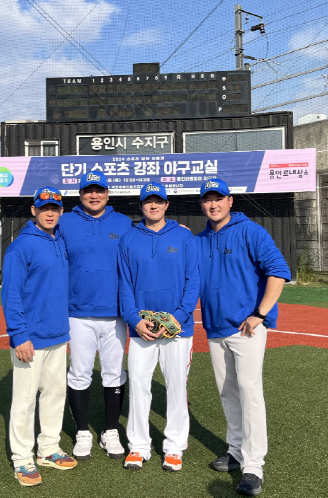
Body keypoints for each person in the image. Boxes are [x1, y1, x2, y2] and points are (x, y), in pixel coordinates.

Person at [195, 179, 291, 497]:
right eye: (207, 200)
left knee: (250, 394)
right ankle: (236, 451)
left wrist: (260, 314)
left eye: (218, 198)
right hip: (215, 328)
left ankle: (253, 466)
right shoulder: (200, 239)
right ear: (202, 204)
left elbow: (278, 270)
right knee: (227, 393)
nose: (213, 204)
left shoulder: (250, 231)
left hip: (246, 328)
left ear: (230, 201)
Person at [117, 182, 199, 472]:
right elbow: (124, 284)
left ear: (166, 205)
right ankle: (138, 446)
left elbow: (193, 280)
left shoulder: (184, 237)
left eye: (158, 201)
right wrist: (133, 319)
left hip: (178, 329)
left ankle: (174, 447)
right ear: (141, 206)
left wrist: (179, 316)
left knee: (176, 387)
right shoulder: (128, 239)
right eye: (148, 202)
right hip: (142, 329)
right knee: (139, 386)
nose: (153, 206)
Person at [0, 186, 78, 487]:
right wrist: (19, 335)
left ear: (61, 212)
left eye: (55, 208)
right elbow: (11, 295)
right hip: (31, 337)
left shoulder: (59, 240)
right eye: (44, 207)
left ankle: (48, 448)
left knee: (56, 394)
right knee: (24, 400)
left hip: (58, 333)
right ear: (34, 210)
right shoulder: (21, 246)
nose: (49, 212)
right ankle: (22, 458)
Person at [59, 172, 133, 460]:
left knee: (115, 373)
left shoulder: (123, 223)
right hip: (78, 313)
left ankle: (110, 430)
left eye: (99, 191)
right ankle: (82, 432)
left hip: (115, 314)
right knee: (79, 373)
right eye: (88, 191)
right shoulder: (65, 222)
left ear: (107, 194)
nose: (94, 196)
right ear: (80, 195)